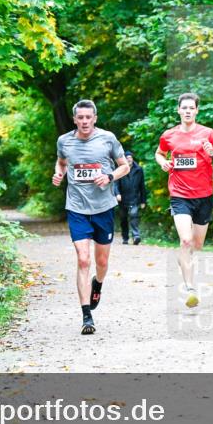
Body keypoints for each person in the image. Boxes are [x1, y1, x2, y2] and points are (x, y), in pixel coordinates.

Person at [52, 100, 129, 334]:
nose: (84, 121)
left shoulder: (107, 139)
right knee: (83, 259)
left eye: (88, 117)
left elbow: (124, 166)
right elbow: (62, 162)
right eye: (80, 118)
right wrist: (59, 173)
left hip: (103, 208)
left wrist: (109, 177)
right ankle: (87, 316)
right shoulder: (64, 141)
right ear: (75, 119)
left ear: (95, 118)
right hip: (76, 208)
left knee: (101, 262)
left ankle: (98, 283)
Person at [155, 93, 213, 307]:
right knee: (186, 240)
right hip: (180, 195)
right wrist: (163, 162)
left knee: (196, 245)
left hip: (204, 196)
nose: (188, 111)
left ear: (197, 110)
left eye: (192, 108)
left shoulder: (209, 134)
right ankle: (190, 288)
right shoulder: (169, 135)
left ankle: (184, 258)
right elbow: (159, 153)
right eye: (184, 108)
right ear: (178, 110)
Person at [112, 151, 148, 244]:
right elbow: (115, 184)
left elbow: (142, 186)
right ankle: (125, 238)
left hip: (134, 198)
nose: (129, 159)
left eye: (130, 158)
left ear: (132, 159)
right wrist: (117, 194)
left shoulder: (139, 170)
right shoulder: (120, 169)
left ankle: (136, 236)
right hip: (122, 199)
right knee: (123, 219)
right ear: (124, 159)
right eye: (127, 158)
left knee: (133, 215)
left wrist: (143, 201)